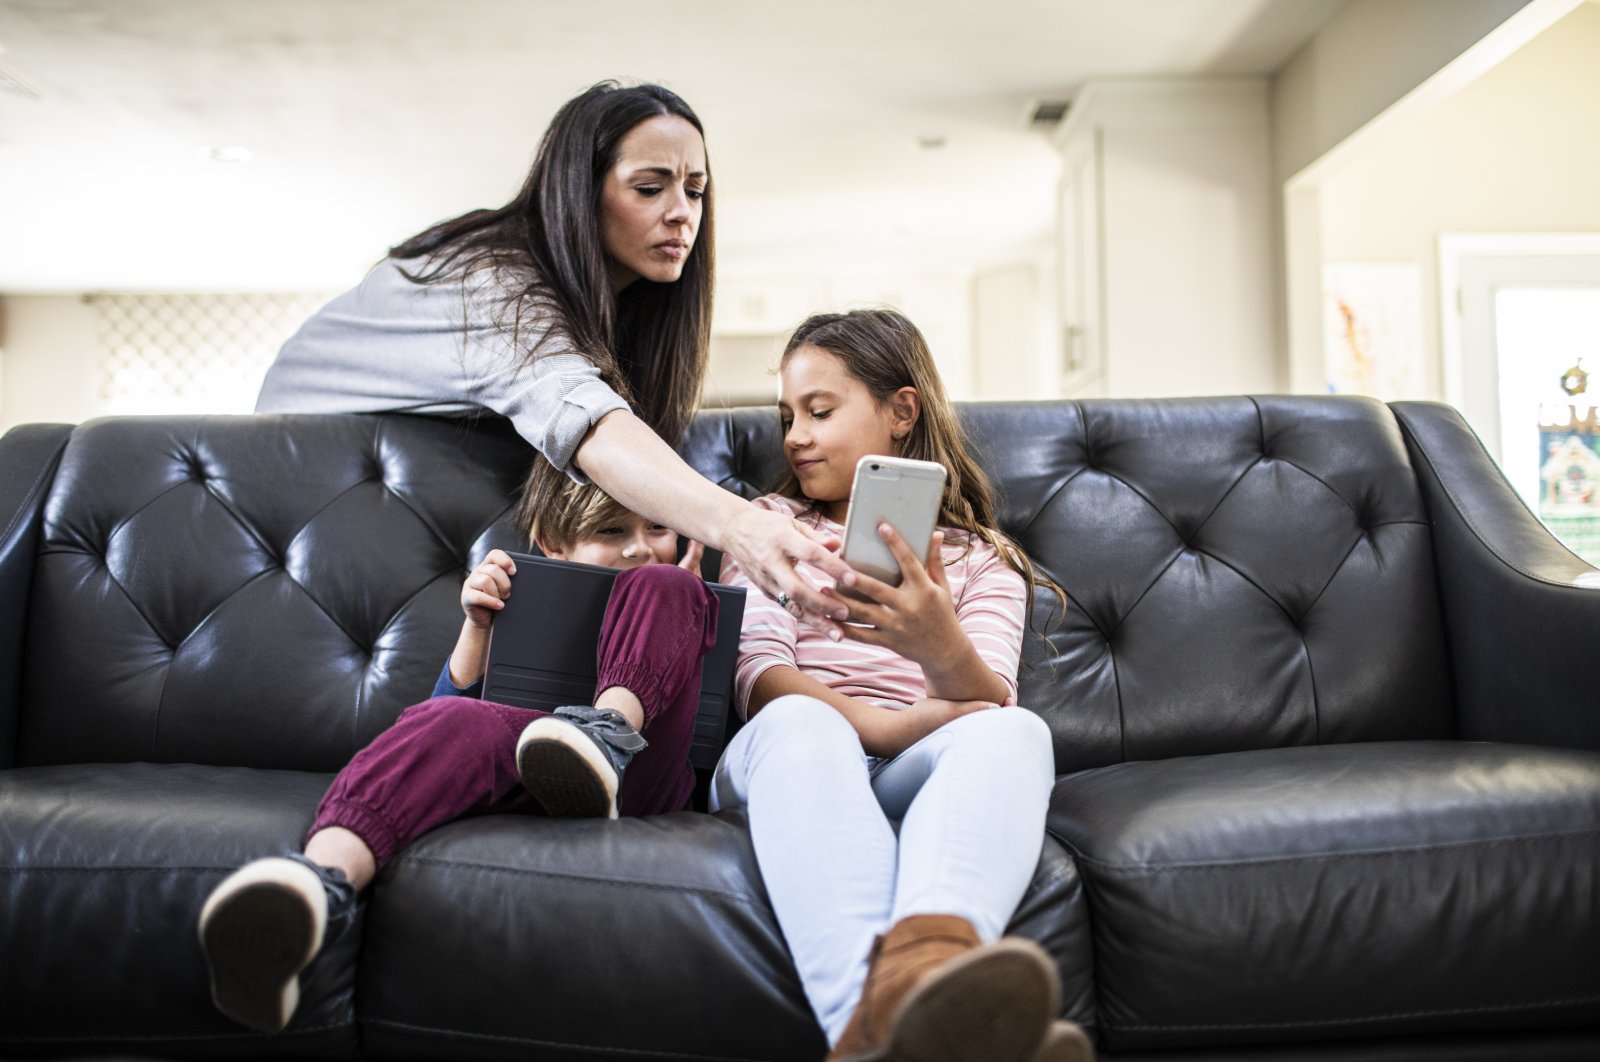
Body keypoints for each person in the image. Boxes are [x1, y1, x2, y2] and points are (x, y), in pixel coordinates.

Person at [255, 79, 855, 633]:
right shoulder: (492, 284)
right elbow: (581, 413)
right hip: (291, 480)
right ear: (580, 192)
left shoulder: (620, 312)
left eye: (694, 190)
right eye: (649, 188)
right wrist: (742, 525)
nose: (682, 213)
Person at [197, 472, 718, 1032]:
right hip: (537, 767)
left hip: (640, 776)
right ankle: (316, 886)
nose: (640, 546)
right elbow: (440, 722)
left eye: (658, 527)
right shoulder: (525, 600)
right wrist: (478, 629)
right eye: (612, 531)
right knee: (449, 718)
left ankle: (603, 735)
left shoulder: (673, 583)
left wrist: (678, 604)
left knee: (666, 585)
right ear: (553, 543)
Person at [710, 310, 1093, 1062]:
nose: (794, 436)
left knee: (1018, 731)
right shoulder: (768, 524)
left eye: (819, 412)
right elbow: (760, 680)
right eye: (788, 416)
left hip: (914, 772)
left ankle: (913, 990)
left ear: (901, 412)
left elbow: (987, 705)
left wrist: (935, 640)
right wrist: (898, 726)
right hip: (792, 760)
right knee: (800, 723)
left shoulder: (982, 561)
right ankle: (903, 1013)